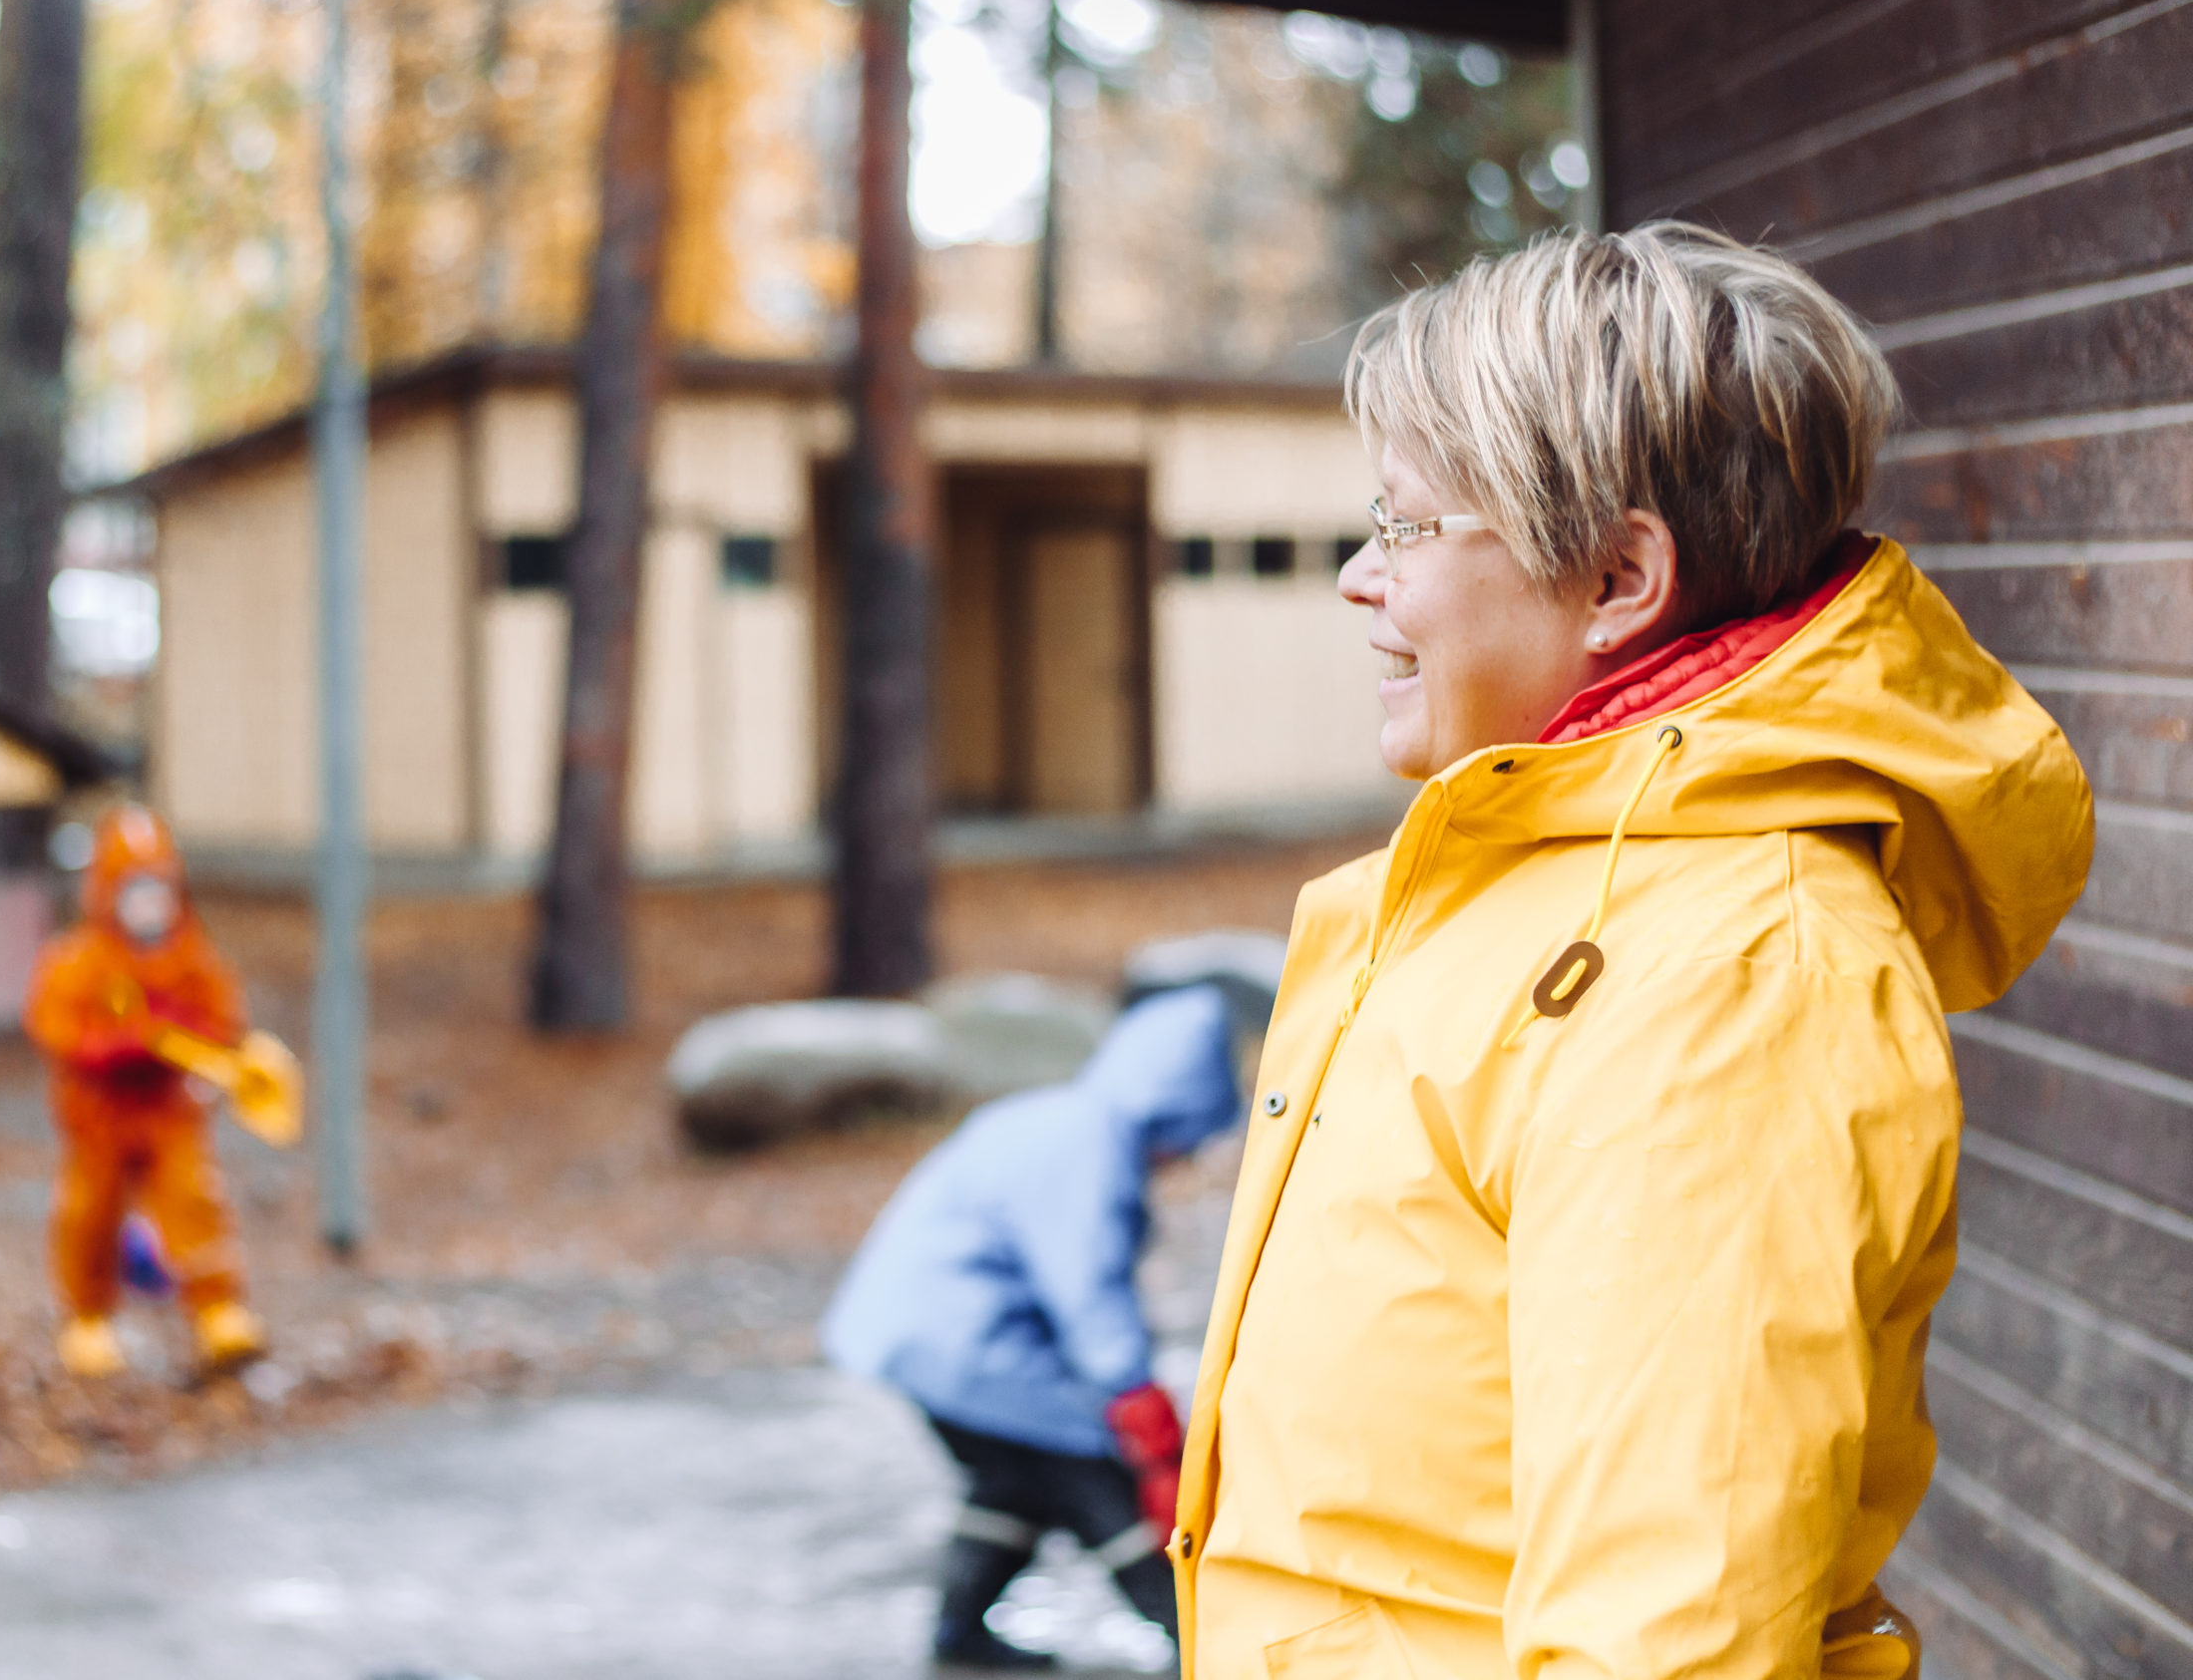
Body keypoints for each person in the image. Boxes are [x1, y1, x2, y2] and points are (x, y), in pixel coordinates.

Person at [1173, 224, 2095, 1680]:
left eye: (1407, 527)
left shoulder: (1728, 978)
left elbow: (1670, 1633)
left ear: (1616, 576)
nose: (1361, 577)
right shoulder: (1525, 887)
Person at [825, 985, 1244, 1671]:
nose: (1183, 1160)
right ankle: (1194, 1641)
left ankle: (959, 1636)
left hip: (917, 1331)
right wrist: (1135, 1400)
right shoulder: (1089, 1148)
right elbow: (1087, 1292)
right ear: (1176, 1104)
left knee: (1012, 1479)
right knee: (1088, 1469)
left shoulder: (1064, 1119)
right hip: (963, 1341)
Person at [24, 804, 270, 1379]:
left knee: (194, 1201)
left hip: (169, 1112)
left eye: (158, 891)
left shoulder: (191, 958)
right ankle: (88, 1318)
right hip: (99, 1116)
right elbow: (53, 1022)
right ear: (106, 894)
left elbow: (221, 1016)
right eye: (134, 891)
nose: (148, 906)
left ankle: (218, 1311)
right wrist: (109, 1047)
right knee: (90, 1212)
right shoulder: (79, 959)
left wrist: (195, 1042)